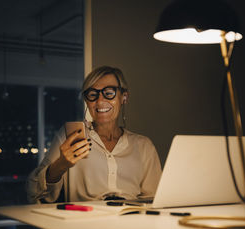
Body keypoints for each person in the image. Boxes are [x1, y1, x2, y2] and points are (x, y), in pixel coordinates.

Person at [27, 66, 162, 203]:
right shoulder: (70, 137)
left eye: (109, 93)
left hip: (131, 220)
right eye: (92, 94)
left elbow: (153, 200)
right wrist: (61, 164)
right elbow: (33, 191)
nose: (100, 101)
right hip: (85, 219)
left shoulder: (144, 146)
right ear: (87, 101)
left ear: (124, 97)